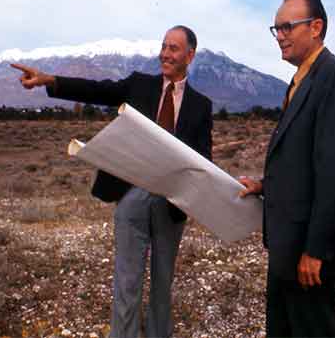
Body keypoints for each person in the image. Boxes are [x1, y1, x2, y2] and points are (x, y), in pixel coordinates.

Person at [12, 25, 213, 338]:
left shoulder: (201, 105)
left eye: (173, 48)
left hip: (172, 202)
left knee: (163, 280)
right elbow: (97, 90)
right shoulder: (139, 85)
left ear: (190, 54)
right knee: (126, 279)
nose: (165, 54)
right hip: (131, 193)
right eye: (163, 46)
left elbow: (204, 161)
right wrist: (50, 80)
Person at [239, 0, 335, 337]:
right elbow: (302, 161)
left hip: (308, 255)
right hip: (286, 247)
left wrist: (316, 250)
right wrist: (264, 186)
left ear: (316, 28)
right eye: (276, 28)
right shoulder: (301, 80)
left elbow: (334, 171)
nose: (279, 35)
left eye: (287, 27)